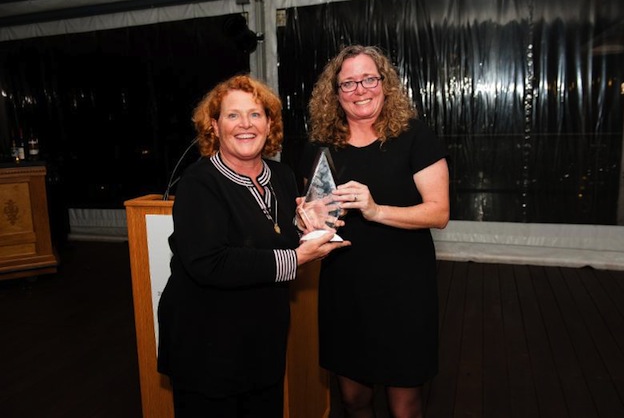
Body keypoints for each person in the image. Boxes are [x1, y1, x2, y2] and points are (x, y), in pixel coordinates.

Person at [157, 74, 350, 418]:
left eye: (256, 114)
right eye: (232, 115)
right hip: (207, 347)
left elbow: (270, 234)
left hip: (263, 340)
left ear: (269, 123)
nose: (245, 124)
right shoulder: (198, 184)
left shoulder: (281, 175)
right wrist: (296, 258)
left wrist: (304, 223)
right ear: (214, 126)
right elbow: (209, 262)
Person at [300, 45, 450, 417]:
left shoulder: (414, 137)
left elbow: (439, 212)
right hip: (345, 288)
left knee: (405, 405)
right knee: (354, 400)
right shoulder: (321, 145)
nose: (360, 90)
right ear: (334, 94)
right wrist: (305, 215)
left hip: (404, 289)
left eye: (368, 79)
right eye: (348, 83)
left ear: (384, 83)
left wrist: (375, 209)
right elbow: (310, 206)